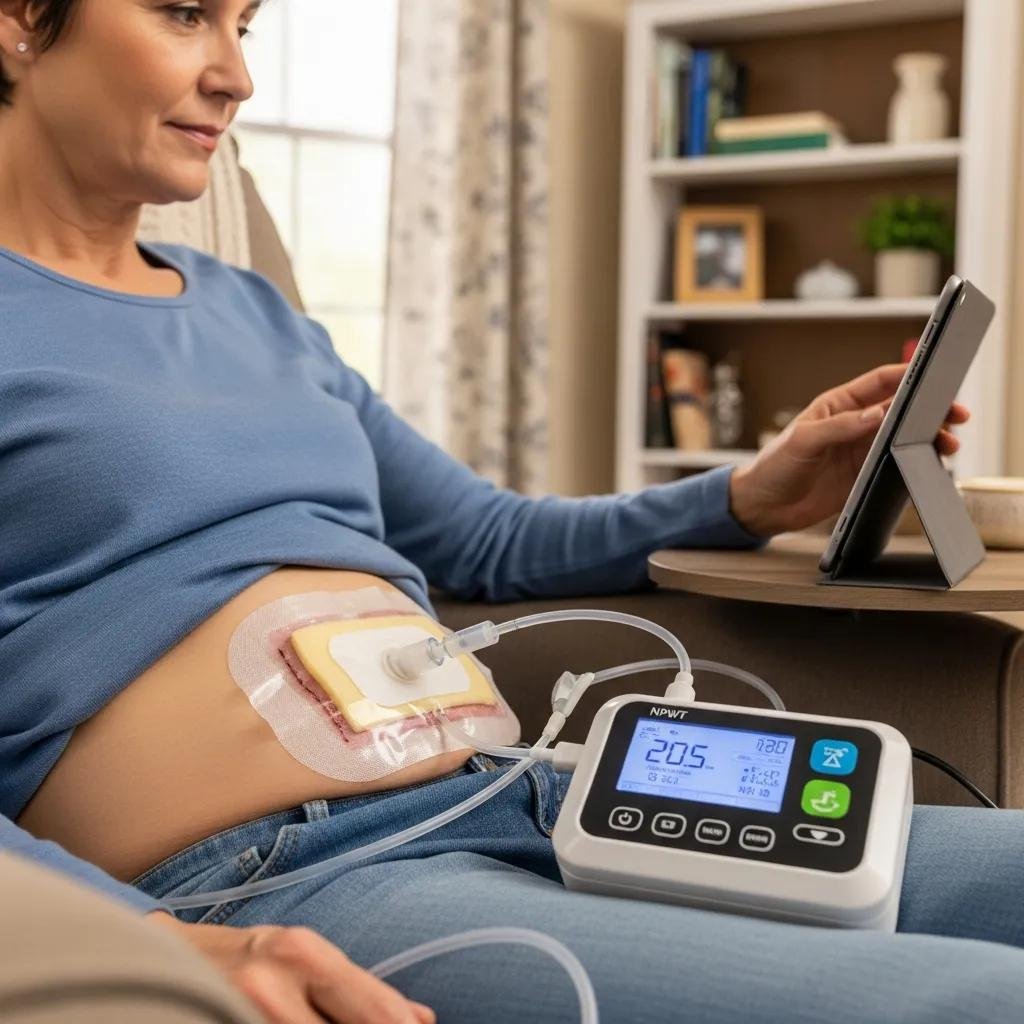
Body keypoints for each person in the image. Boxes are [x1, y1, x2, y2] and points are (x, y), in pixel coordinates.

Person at [1, 2, 1021, 1023]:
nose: (235, 76)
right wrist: (142, 938)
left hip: (537, 787)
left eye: (245, 27)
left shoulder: (255, 313)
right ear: (21, 20)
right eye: (184, 14)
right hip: (290, 871)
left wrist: (748, 495)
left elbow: (486, 539)